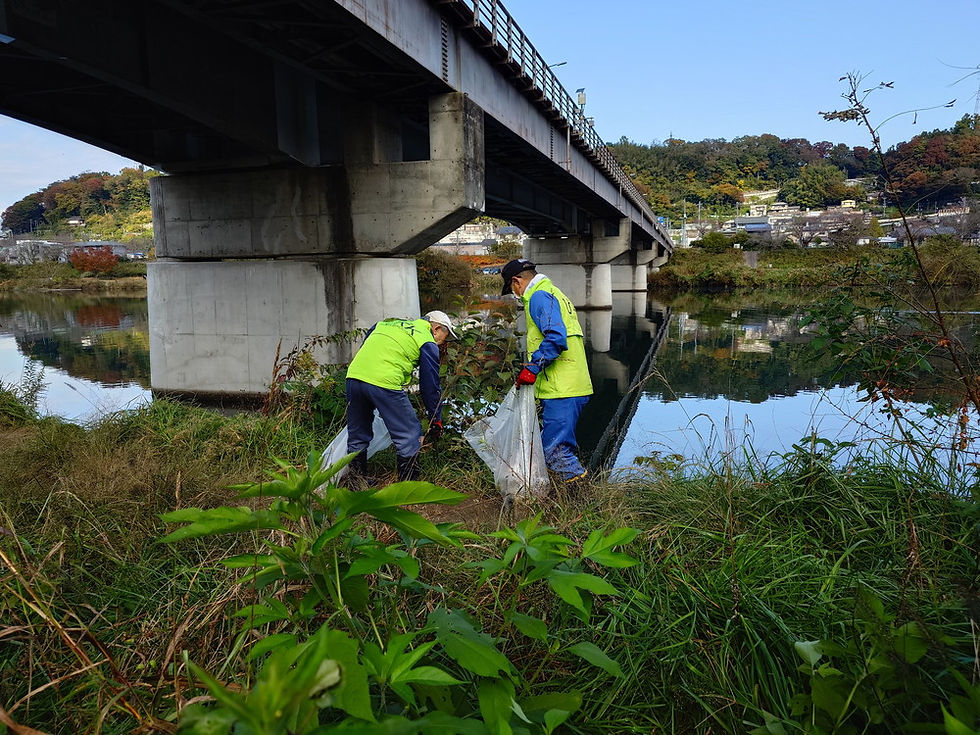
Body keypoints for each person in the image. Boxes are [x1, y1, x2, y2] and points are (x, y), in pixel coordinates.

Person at [501, 258, 592, 483]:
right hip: (571, 384)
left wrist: (532, 368)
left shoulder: (539, 297)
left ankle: (581, 500)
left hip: (562, 388)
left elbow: (555, 337)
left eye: (511, 288)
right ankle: (575, 501)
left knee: (554, 451)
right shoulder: (554, 293)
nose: (514, 294)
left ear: (516, 281)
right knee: (556, 447)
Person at [346, 310, 457, 483]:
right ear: (435, 329)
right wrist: (435, 418)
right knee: (410, 433)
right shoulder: (427, 341)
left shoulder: (386, 324)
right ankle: (408, 489)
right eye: (446, 336)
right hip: (384, 382)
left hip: (354, 377)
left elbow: (368, 343)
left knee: (357, 434)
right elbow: (430, 386)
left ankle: (355, 483)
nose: (444, 342)